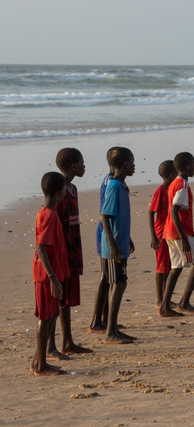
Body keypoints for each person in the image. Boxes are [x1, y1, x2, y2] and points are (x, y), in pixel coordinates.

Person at [47, 148, 92, 359]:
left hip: (73, 249)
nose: (84, 166)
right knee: (56, 301)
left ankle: (67, 341)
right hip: (62, 253)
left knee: (66, 300)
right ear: (73, 166)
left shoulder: (72, 188)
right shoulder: (58, 192)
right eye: (82, 162)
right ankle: (51, 346)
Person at [31, 172, 68, 376]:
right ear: (58, 192)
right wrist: (53, 277)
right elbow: (41, 248)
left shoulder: (45, 212)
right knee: (45, 317)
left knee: (52, 313)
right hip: (45, 275)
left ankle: (38, 359)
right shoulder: (49, 215)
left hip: (51, 272)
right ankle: (40, 365)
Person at [100, 147, 136, 344]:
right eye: (132, 162)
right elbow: (105, 216)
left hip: (120, 244)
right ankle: (110, 331)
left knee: (120, 282)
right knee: (118, 283)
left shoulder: (122, 186)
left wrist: (127, 238)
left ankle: (113, 328)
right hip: (113, 247)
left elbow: (119, 217)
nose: (134, 165)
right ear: (124, 165)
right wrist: (113, 244)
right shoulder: (114, 186)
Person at [159, 152, 194, 317]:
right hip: (180, 233)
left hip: (170, 232)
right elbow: (174, 211)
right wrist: (184, 238)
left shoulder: (174, 183)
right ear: (188, 166)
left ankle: (165, 306)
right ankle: (184, 301)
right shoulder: (182, 185)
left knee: (175, 268)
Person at [89, 147, 115, 333]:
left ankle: (105, 318)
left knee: (108, 277)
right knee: (106, 276)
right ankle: (96, 321)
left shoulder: (110, 180)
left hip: (109, 231)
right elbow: (105, 213)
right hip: (106, 232)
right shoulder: (111, 182)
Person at [149, 160, 177, 308]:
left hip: (170, 233)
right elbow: (151, 212)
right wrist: (153, 236)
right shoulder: (160, 191)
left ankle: (166, 297)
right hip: (161, 234)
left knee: (169, 266)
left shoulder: (173, 189)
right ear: (172, 174)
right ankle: (159, 299)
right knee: (161, 268)